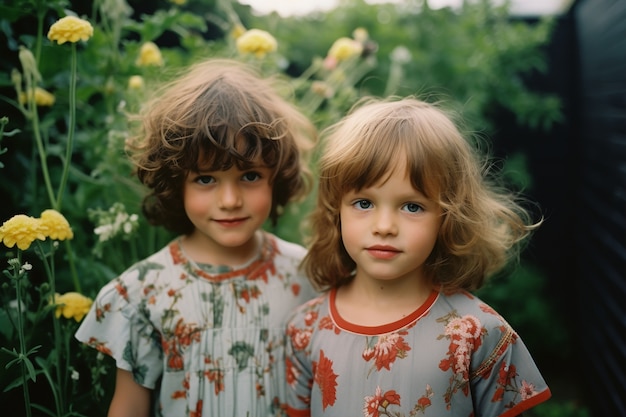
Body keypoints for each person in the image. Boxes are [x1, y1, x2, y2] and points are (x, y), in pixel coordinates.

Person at [75, 58, 318, 417]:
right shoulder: (144, 291)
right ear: (176, 183)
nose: (231, 200)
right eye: (206, 179)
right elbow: (129, 406)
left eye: (249, 176)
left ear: (276, 177)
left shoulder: (306, 274)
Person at [285, 97, 551, 417]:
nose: (384, 227)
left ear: (448, 217)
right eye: (364, 203)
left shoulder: (478, 333)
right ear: (335, 211)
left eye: (412, 206)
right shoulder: (306, 329)